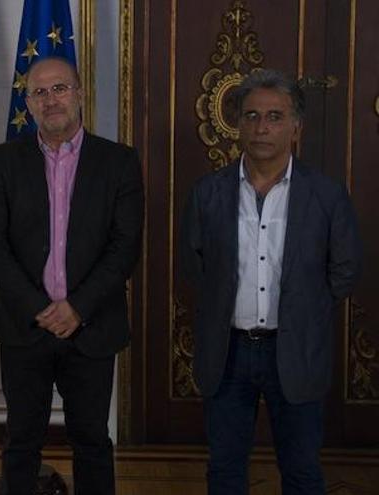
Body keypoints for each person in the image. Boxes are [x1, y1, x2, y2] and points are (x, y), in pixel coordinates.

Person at [181, 69, 361, 494]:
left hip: (295, 349)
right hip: (228, 352)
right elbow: (193, 265)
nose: (263, 127)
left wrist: (307, 310)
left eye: (275, 117)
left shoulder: (327, 195)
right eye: (253, 116)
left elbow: (346, 268)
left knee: (300, 471)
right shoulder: (208, 192)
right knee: (224, 470)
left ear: (296, 127)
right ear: (239, 124)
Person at [0, 57, 144, 494]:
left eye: (60, 89)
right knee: (21, 442)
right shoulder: (4, 161)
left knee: (91, 441)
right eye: (39, 92)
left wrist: (77, 308)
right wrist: (40, 310)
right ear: (28, 102)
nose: (51, 100)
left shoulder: (119, 162)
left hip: (91, 327)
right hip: (24, 327)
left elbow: (124, 247)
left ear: (79, 94)